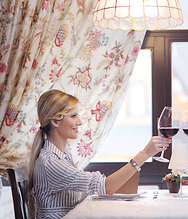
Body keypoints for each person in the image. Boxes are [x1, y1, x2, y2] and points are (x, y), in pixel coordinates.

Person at [28, 89, 171, 219]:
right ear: (55, 121)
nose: (79, 121)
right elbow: (106, 187)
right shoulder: (51, 162)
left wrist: (105, 188)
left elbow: (82, 192)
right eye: (73, 116)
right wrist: (145, 154)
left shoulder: (63, 155)